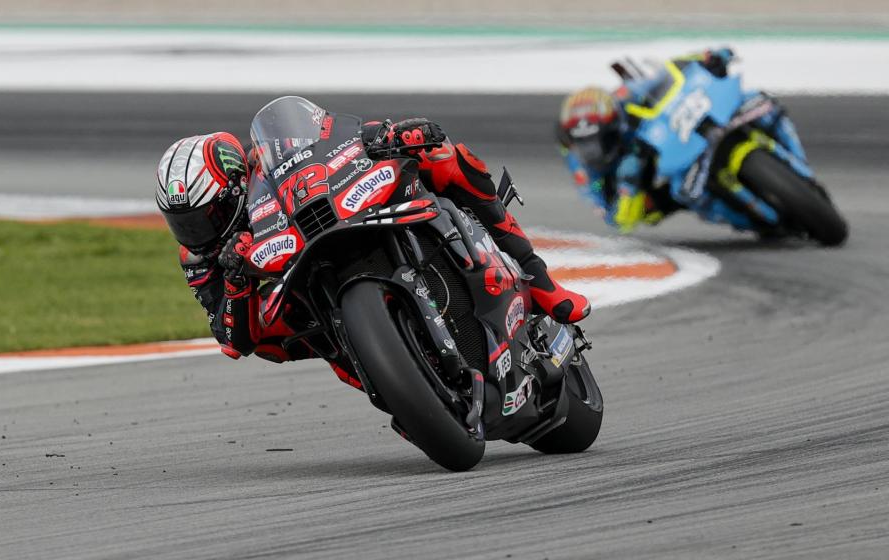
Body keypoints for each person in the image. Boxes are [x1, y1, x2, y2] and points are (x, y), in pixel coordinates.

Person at [155, 97, 590, 383]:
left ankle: (539, 281)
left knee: (443, 157)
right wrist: (235, 278)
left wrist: (390, 135)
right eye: (185, 224)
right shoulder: (199, 257)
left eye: (205, 216)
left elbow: (331, 136)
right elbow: (232, 338)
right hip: (298, 286)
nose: (199, 233)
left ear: (234, 187)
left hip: (336, 219)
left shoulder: (266, 159)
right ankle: (375, 367)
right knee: (269, 336)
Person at [558, 47, 807, 233]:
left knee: (762, 102)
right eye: (585, 144)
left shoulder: (624, 99)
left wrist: (707, 57)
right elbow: (616, 220)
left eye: (601, 140)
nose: (594, 151)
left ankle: (801, 167)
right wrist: (628, 185)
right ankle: (753, 222)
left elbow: (668, 72)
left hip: (677, 132)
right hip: (655, 178)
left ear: (615, 124)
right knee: (685, 193)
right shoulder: (581, 168)